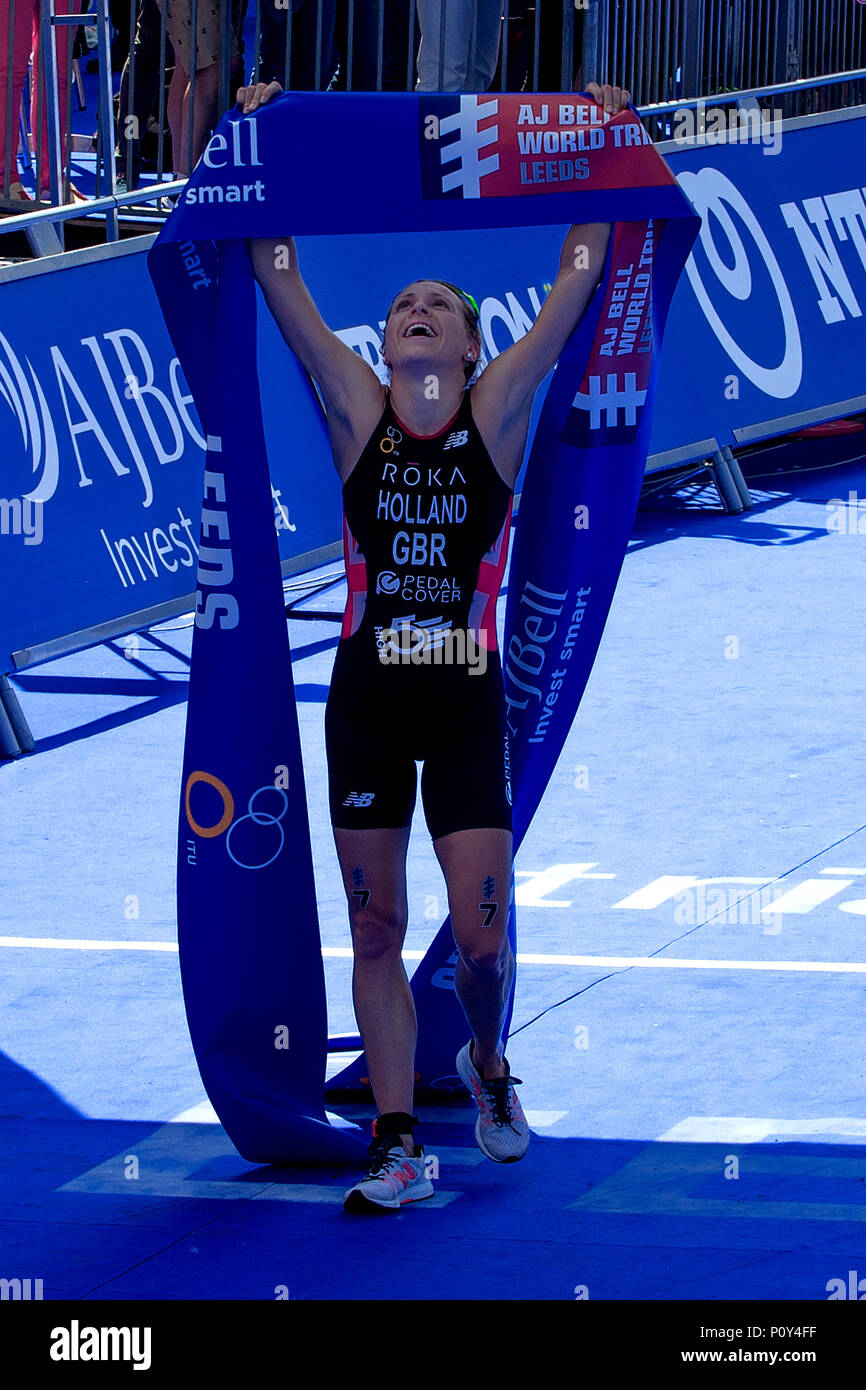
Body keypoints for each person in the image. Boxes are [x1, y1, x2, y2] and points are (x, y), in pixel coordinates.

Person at [237, 75, 630, 1212]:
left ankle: (488, 1062)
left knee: (477, 937)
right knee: (374, 921)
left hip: (460, 700)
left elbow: (572, 282)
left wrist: (601, 144)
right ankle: (397, 1141)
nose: (412, 310)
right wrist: (259, 134)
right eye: (402, 302)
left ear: (464, 349)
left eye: (435, 308)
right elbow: (279, 281)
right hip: (365, 695)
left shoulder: (494, 411)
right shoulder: (358, 405)